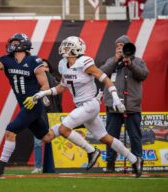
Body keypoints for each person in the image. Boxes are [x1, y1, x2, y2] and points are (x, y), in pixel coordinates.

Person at [0, 32, 99, 177]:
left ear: (23, 45)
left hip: (33, 105)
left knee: (10, 131)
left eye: (15, 43)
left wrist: (34, 98)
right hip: (24, 105)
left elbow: (45, 86)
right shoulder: (7, 60)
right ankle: (86, 146)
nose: (11, 45)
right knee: (46, 137)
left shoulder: (34, 62)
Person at [23, 36, 144, 177]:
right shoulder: (63, 64)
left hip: (90, 104)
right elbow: (61, 87)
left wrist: (116, 99)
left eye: (68, 46)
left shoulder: (85, 62)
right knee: (104, 137)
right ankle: (135, 160)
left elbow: (105, 79)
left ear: (77, 49)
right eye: (65, 45)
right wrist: (43, 93)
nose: (65, 48)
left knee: (63, 129)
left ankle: (92, 151)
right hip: (82, 106)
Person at [100, 35, 149, 173]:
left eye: (123, 45)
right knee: (111, 137)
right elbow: (101, 74)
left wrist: (130, 63)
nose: (120, 48)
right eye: (118, 45)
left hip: (132, 107)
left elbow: (143, 75)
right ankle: (110, 164)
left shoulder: (138, 61)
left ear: (129, 47)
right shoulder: (111, 61)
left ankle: (137, 163)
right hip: (113, 107)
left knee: (135, 136)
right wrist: (116, 60)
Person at [32, 59, 62, 174]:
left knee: (53, 142)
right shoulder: (34, 84)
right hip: (39, 116)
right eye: (42, 67)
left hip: (53, 115)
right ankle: (38, 166)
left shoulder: (56, 83)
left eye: (46, 67)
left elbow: (58, 101)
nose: (44, 69)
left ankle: (53, 166)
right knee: (38, 142)